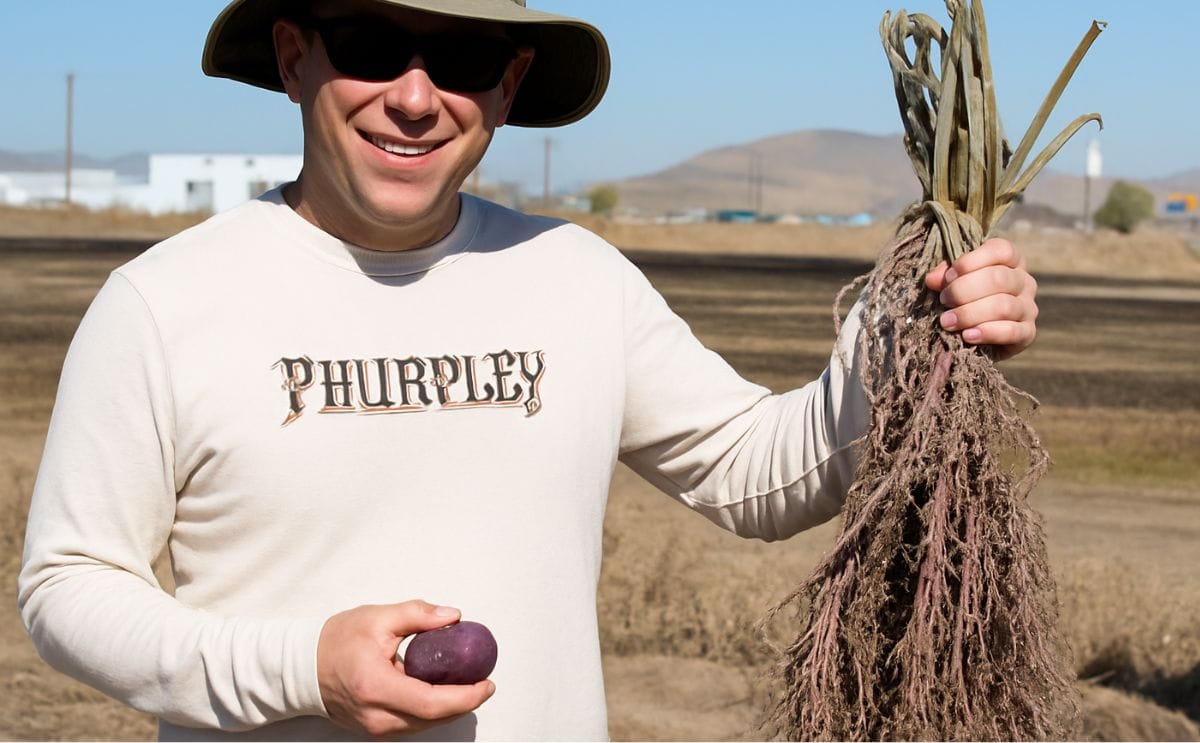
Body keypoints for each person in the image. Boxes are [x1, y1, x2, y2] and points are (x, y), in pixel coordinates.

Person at [17, 0, 1040, 740]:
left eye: (460, 57)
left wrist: (913, 326)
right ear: (295, 57)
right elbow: (68, 587)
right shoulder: (168, 301)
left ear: (507, 84)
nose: (414, 98)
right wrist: (302, 667)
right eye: (373, 45)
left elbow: (756, 471)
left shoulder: (573, 277)